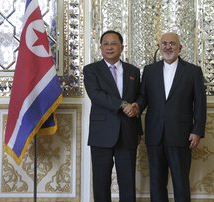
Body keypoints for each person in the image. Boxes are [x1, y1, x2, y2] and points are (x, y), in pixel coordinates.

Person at [136, 32, 207, 202]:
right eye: (164, 43)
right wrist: (136, 106)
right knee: (156, 182)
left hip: (181, 135)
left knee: (181, 182)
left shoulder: (193, 71)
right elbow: (143, 97)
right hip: (155, 134)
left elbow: (200, 104)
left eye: (172, 44)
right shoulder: (149, 70)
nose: (168, 47)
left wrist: (197, 130)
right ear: (159, 47)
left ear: (180, 48)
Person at [83, 30, 142, 202]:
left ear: (122, 47)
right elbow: (96, 95)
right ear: (100, 47)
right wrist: (123, 105)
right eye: (105, 44)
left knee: (128, 182)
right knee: (101, 182)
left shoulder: (133, 71)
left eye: (113, 43)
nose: (109, 47)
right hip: (101, 134)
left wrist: (137, 107)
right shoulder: (91, 70)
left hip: (128, 133)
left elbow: (140, 95)